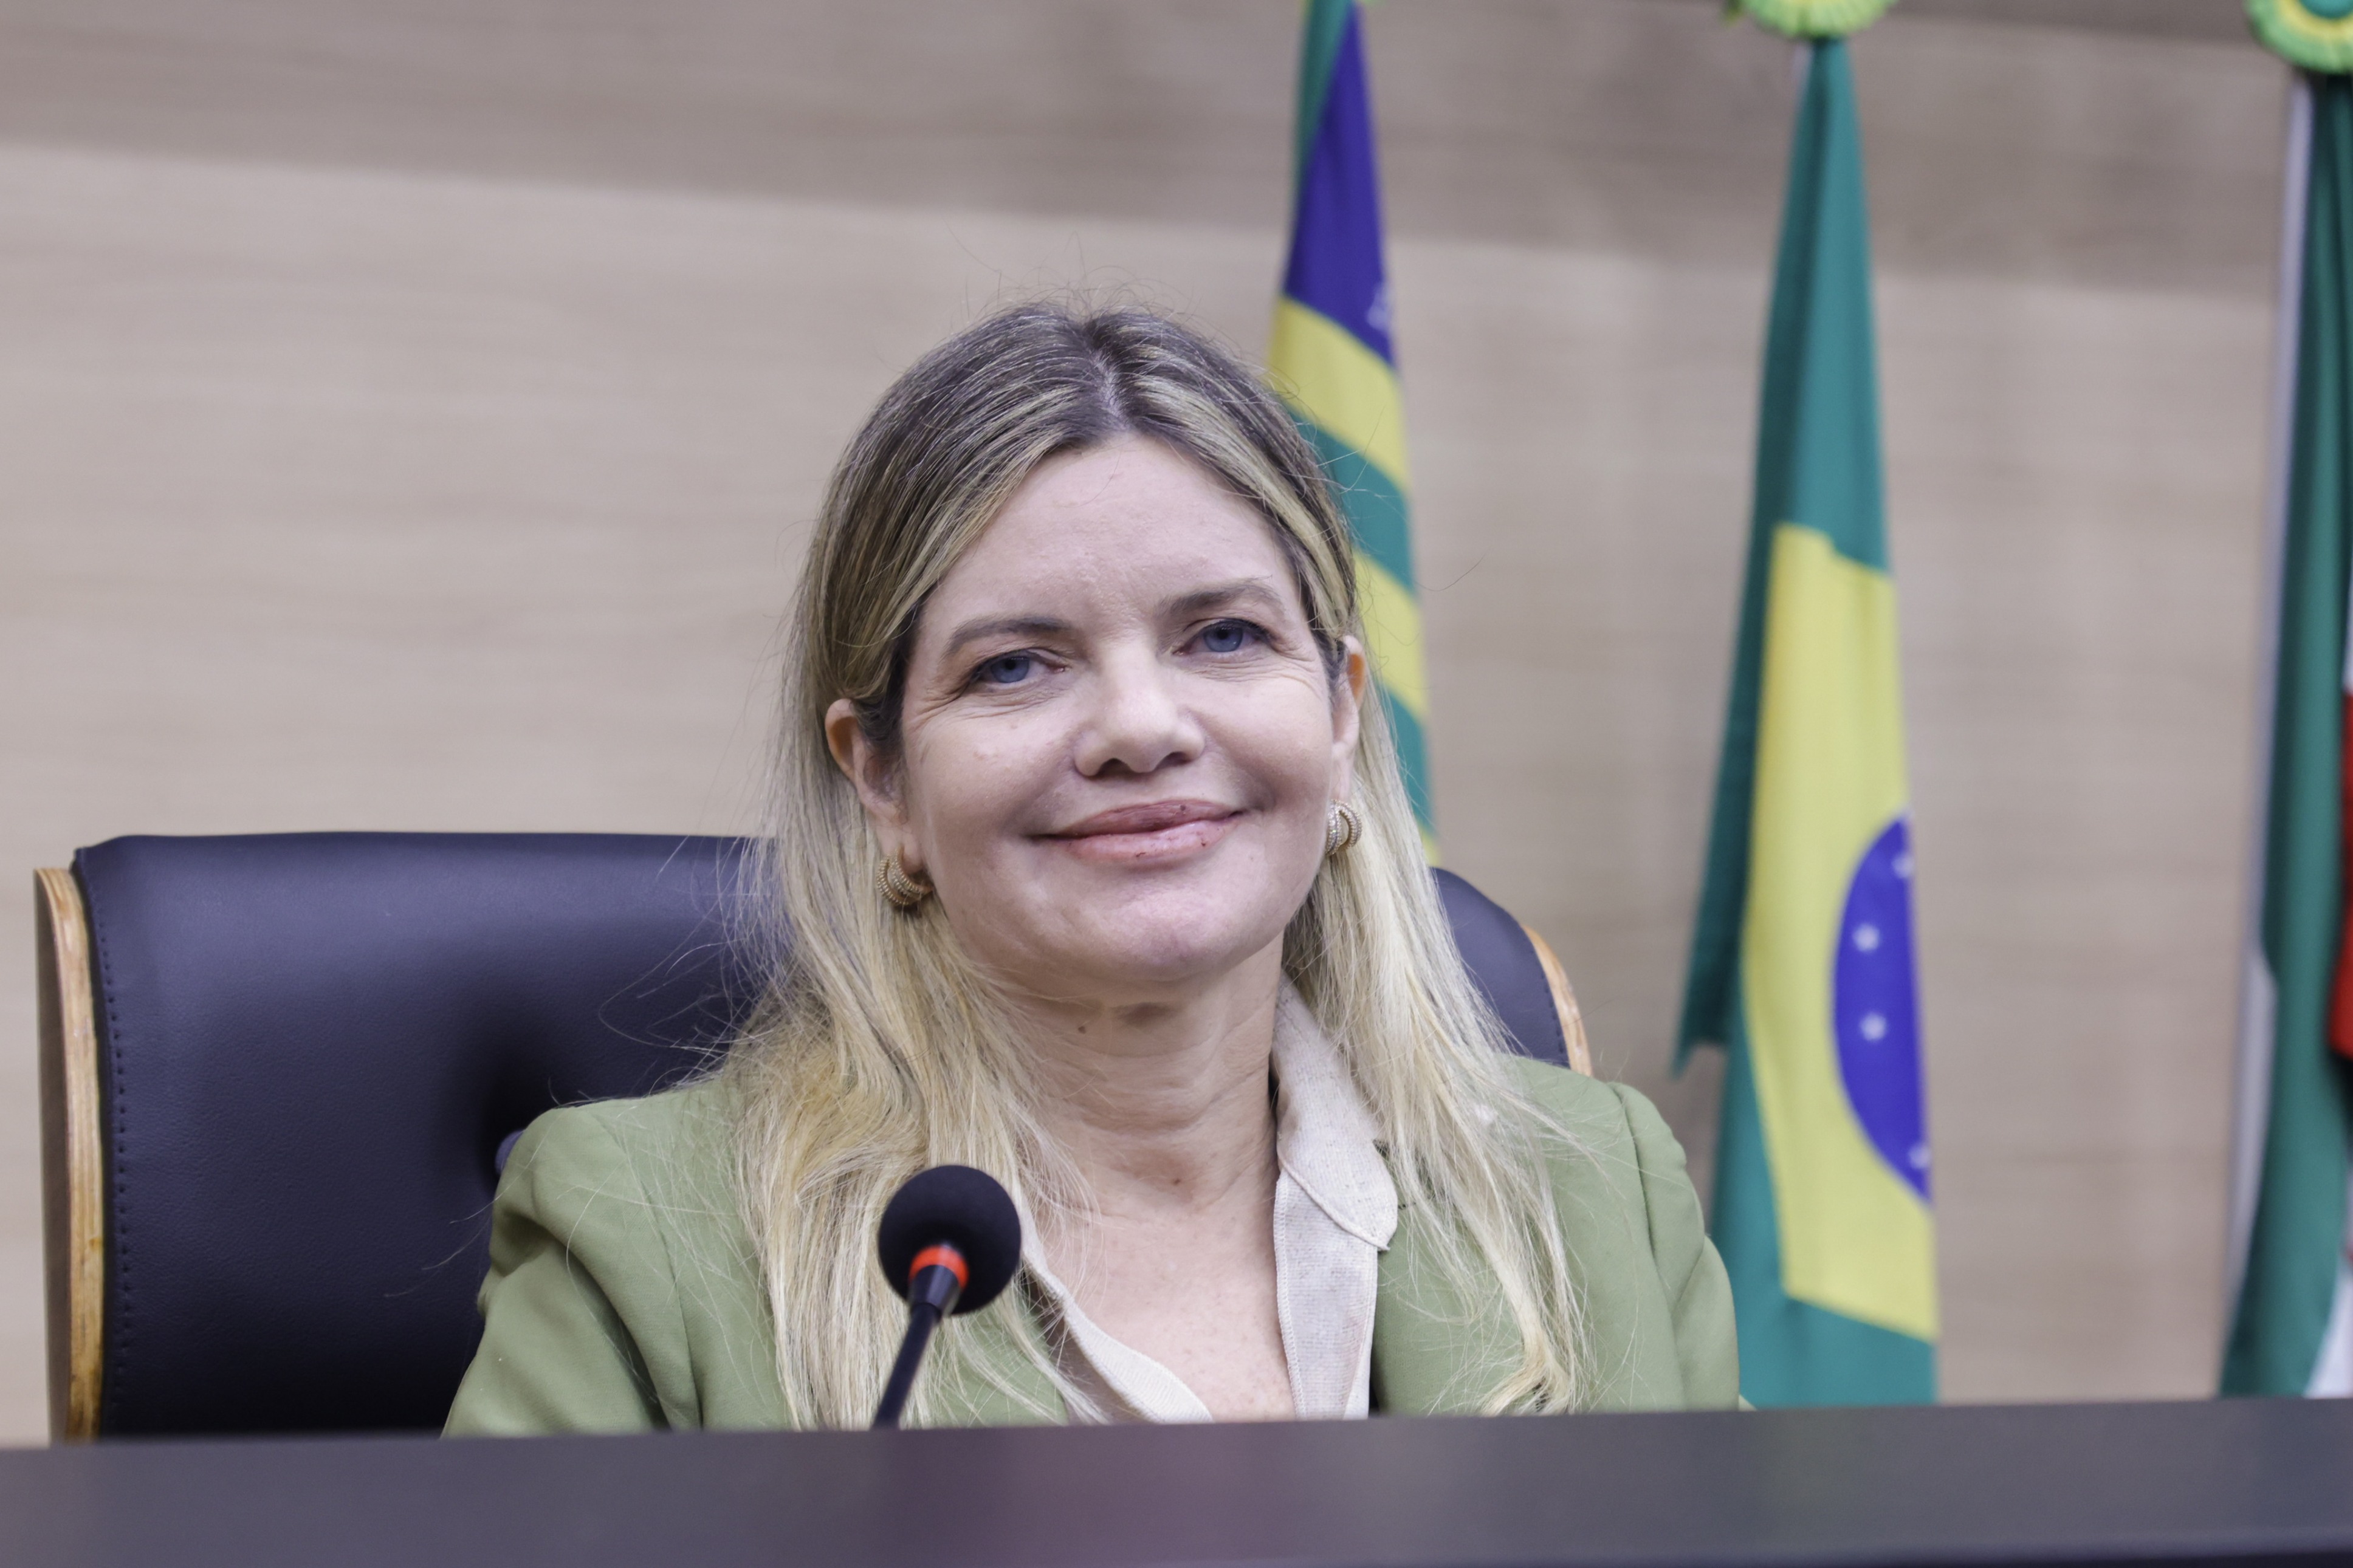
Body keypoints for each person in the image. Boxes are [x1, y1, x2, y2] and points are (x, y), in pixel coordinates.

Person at [445, 302, 1737, 1434]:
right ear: (880, 778)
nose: (1140, 726)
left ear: (1342, 713)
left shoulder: (1597, 1194)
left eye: (1223, 636)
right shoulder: (646, 1244)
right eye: (1015, 664)